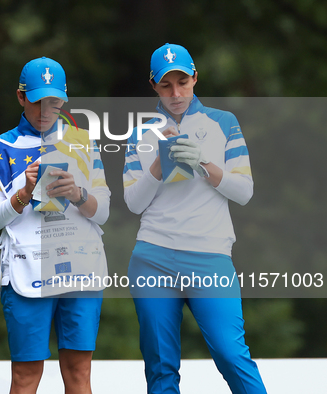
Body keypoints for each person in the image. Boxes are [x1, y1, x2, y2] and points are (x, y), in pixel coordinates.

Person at [123, 43, 267, 394]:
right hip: (153, 257)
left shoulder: (223, 123)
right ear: (153, 86)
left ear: (195, 78)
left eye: (183, 82)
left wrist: (202, 162)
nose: (176, 93)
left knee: (232, 355)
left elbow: (244, 192)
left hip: (210, 258)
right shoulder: (140, 132)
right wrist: (158, 165)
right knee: (160, 368)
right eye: (166, 85)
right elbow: (132, 203)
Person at [0, 57, 111, 394]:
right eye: (37, 102)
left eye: (54, 102)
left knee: (79, 374)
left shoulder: (83, 142)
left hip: (80, 266)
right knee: (25, 376)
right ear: (21, 97)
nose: (45, 111)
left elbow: (103, 210)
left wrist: (78, 194)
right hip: (25, 269)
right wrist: (23, 192)